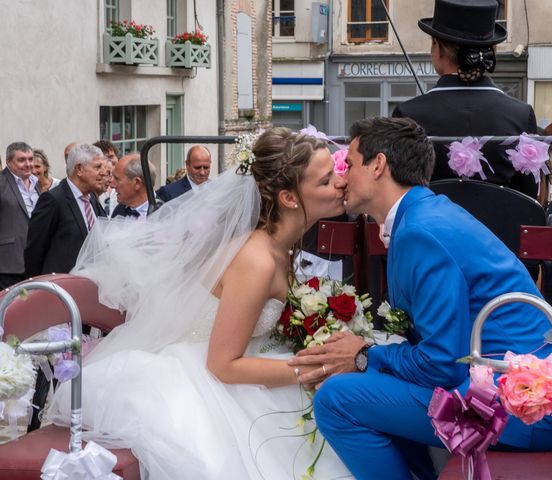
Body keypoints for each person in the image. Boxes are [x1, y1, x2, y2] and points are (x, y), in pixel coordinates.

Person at [288, 117, 552, 480]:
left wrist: (362, 355)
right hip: (522, 383)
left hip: (527, 403)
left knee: (335, 399)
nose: (343, 177)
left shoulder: (420, 231)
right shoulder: (424, 213)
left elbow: (440, 364)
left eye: (350, 164)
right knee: (370, 388)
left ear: (378, 165)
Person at [47, 128, 353, 479]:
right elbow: (222, 365)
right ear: (289, 197)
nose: (341, 184)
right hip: (203, 381)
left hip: (251, 358)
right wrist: (316, 369)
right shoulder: (256, 259)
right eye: (328, 179)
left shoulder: (276, 246)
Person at [393, 0, 538, 198]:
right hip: (500, 228)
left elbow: (398, 193)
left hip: (430, 227)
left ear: (438, 48)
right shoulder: (522, 114)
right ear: (492, 51)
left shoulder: (408, 114)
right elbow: (528, 195)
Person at [24, 144, 106, 277]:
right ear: (79, 169)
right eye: (97, 167)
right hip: (60, 287)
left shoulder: (91, 198)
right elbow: (35, 250)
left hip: (90, 284)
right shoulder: (53, 200)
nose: (103, 172)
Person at [0, 142, 39, 289]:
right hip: (7, 265)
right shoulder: (1, 182)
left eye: (30, 159)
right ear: (9, 162)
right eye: (22, 160)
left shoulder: (36, 183)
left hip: (33, 262)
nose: (28, 164)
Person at [111, 153, 157, 220]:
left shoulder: (163, 215)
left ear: (137, 183)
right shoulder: (119, 211)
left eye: (117, 179)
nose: (112, 185)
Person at [94, 140, 119, 217]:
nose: (110, 161)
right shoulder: (94, 184)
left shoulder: (125, 181)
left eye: (111, 156)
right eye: (105, 158)